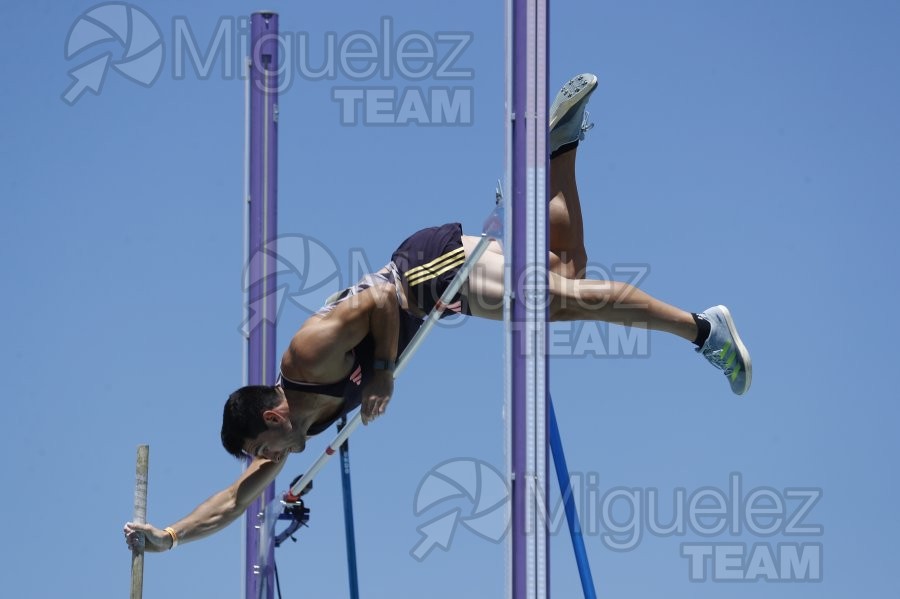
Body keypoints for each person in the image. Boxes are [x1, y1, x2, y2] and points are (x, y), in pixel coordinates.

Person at [124, 73, 751, 553]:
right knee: (568, 269)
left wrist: (384, 372)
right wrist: (171, 536)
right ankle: (557, 150)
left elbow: (378, 302)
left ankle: (702, 330)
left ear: (271, 414)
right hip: (437, 294)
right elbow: (233, 503)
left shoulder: (304, 358)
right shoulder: (296, 434)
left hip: (425, 273)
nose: (268, 457)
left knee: (567, 303)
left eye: (262, 445)